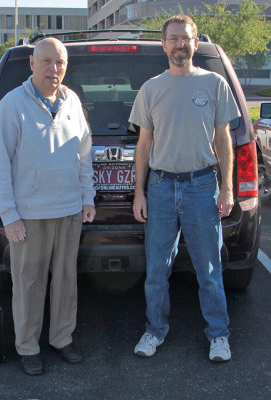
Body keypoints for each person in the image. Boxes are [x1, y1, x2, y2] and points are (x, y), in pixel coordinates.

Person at [129, 15, 240, 362]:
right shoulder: (150, 89)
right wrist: (139, 192)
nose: (180, 44)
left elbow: (224, 140)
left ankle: (218, 335)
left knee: (209, 268)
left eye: (186, 38)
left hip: (202, 186)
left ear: (194, 43)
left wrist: (227, 189)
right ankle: (154, 330)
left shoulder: (214, 83)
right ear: (164, 45)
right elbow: (144, 145)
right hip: (161, 188)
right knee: (157, 268)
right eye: (173, 39)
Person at [0, 38, 96, 375]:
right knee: (28, 284)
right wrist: (9, 215)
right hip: (29, 216)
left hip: (69, 211)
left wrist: (87, 197)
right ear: (32, 63)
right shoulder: (12, 104)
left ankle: (62, 338)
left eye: (60, 62)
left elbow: (83, 153)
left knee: (66, 281)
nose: (54, 69)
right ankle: (28, 346)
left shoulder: (72, 101)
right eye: (46, 61)